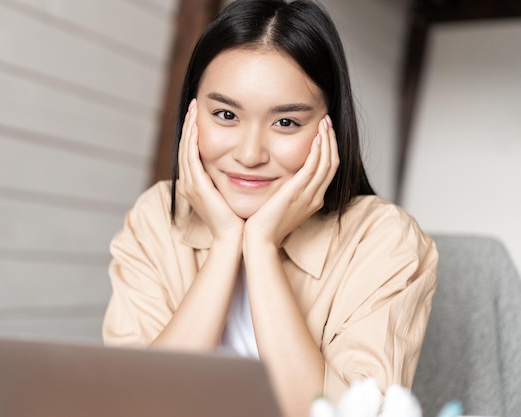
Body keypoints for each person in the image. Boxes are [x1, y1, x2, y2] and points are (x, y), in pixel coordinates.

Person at [103, 1, 438, 416]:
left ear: (329, 128)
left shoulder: (385, 240)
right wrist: (228, 241)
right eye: (226, 114)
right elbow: (139, 405)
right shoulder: (157, 216)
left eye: (286, 123)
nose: (249, 154)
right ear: (192, 115)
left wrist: (260, 245)